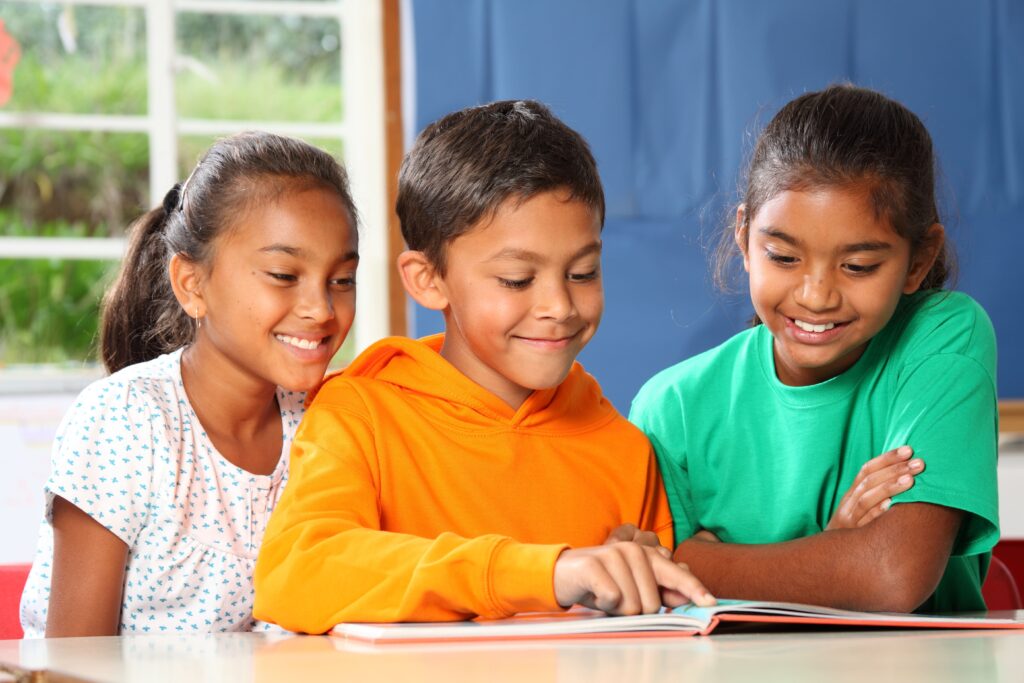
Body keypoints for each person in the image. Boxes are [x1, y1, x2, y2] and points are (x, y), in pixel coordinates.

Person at [254, 100, 715, 635]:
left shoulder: (624, 450)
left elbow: (664, 632)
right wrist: (544, 571)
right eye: (518, 279)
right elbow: (296, 573)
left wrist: (638, 578)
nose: (560, 307)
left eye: (582, 272)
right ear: (428, 280)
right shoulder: (361, 414)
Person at [630, 84, 998, 613]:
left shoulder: (946, 336)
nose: (816, 296)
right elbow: (665, 607)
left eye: (858, 267)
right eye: (783, 257)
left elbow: (892, 577)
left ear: (918, 261)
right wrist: (835, 549)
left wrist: (701, 562)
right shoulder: (672, 409)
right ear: (744, 238)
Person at [20, 132, 360, 636]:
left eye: (342, 280)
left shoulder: (331, 419)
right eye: (284, 275)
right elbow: (75, 661)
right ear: (192, 285)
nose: (321, 308)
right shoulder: (126, 420)